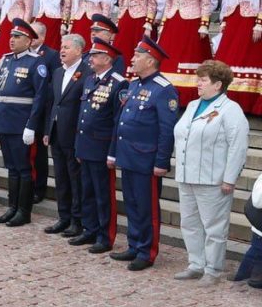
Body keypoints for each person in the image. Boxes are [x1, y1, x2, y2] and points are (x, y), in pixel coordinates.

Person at [172, 60, 249, 284]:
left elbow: (238, 146)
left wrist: (230, 178)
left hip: (212, 178)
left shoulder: (230, 109)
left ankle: (213, 269)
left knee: (214, 227)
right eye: (199, 79)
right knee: (189, 222)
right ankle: (196, 263)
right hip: (187, 174)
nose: (198, 84)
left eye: (203, 80)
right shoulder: (194, 105)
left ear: (218, 85)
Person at [108, 37, 179, 271]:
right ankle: (134, 244)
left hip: (147, 160)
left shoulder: (163, 89)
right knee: (132, 203)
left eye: (137, 56)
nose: (132, 59)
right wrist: (115, 152)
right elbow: (121, 121)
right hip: (129, 156)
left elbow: (166, 130)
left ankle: (147, 251)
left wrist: (161, 161)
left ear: (150, 60)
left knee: (147, 207)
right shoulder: (135, 84)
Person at [0, 19, 49, 227]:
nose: (12, 40)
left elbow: (40, 97)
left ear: (29, 40)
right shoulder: (5, 60)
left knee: (24, 169)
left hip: (22, 124)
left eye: (17, 37)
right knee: (12, 168)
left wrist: (32, 125)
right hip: (5, 122)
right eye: (11, 36)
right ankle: (12, 207)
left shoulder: (36, 62)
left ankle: (24, 211)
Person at [70, 39, 127, 253]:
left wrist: (112, 153)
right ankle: (90, 229)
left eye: (94, 55)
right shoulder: (90, 79)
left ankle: (105, 236)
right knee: (88, 192)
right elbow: (83, 115)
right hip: (85, 145)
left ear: (107, 58)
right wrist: (78, 146)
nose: (90, 59)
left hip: (102, 148)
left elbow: (117, 122)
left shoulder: (119, 83)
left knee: (104, 195)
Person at [42, 34, 89, 237]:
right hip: (56, 132)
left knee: (75, 179)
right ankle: (64, 216)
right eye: (61, 47)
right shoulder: (59, 72)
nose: (62, 50)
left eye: (67, 47)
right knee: (61, 178)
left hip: (73, 133)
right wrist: (46, 130)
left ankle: (77, 220)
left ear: (79, 50)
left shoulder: (86, 73)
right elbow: (53, 103)